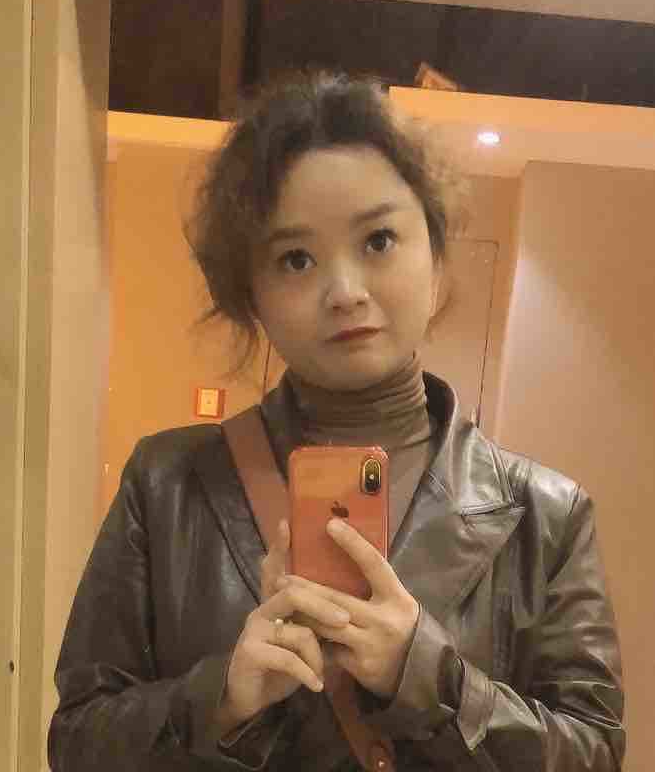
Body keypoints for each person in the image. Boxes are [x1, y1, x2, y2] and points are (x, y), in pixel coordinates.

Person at [48, 71, 625, 771]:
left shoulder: (546, 516)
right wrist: (221, 701)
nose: (345, 292)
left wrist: (428, 675)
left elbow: (594, 754)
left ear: (437, 257)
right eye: (296, 259)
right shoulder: (166, 484)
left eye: (378, 240)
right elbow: (77, 741)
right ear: (252, 295)